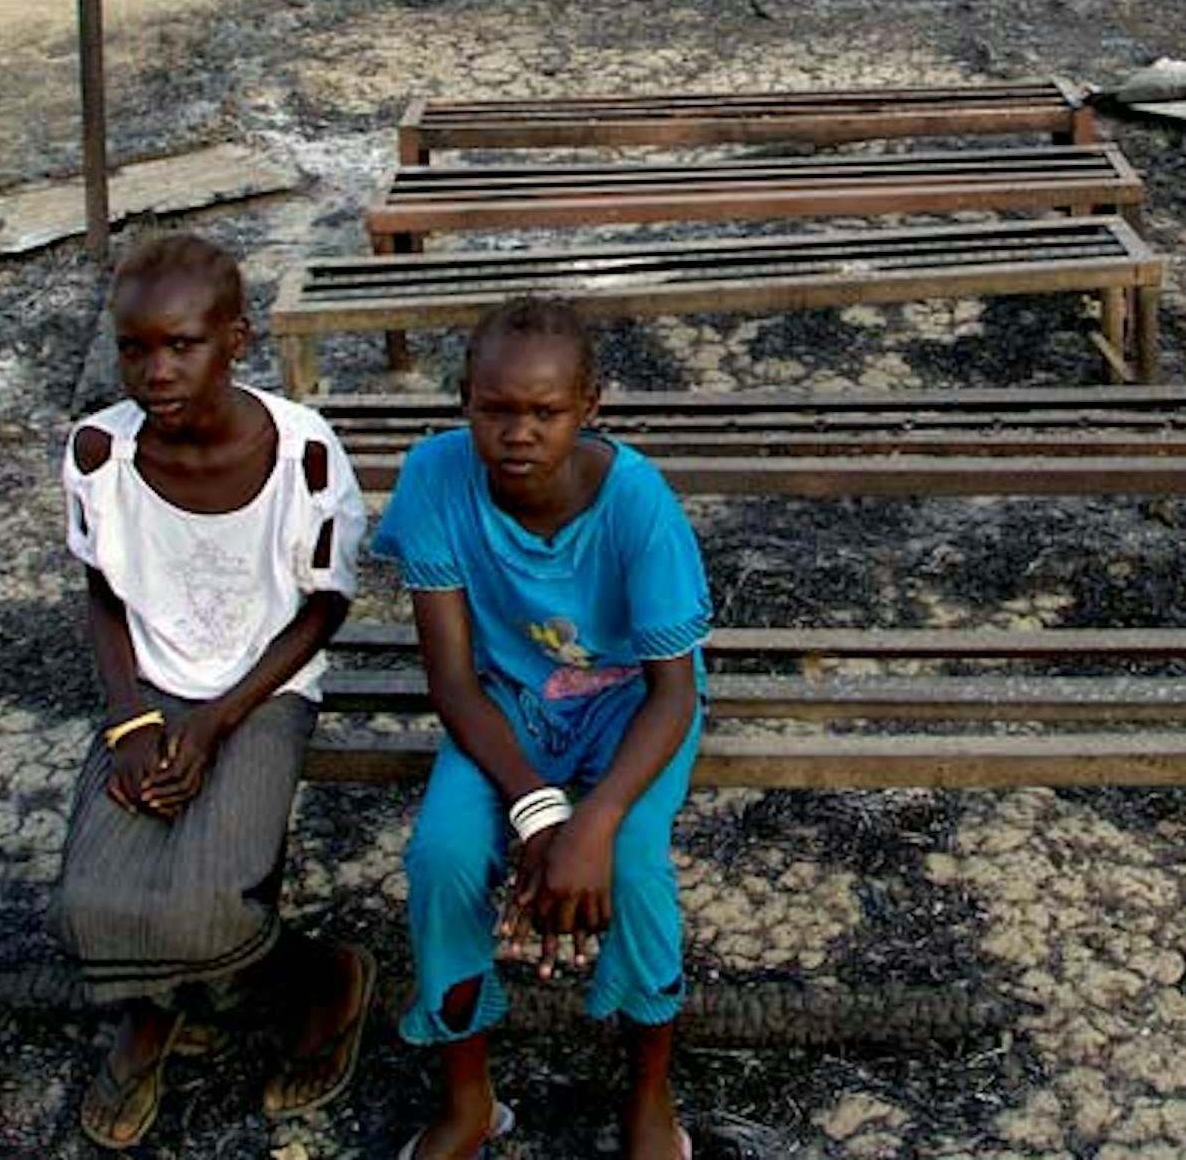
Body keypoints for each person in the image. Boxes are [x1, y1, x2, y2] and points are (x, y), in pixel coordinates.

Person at [50, 233, 378, 1149]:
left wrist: (212, 722)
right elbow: (105, 592)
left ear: (236, 339)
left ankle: (324, 979)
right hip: (151, 689)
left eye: (182, 344)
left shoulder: (299, 456)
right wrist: (132, 721)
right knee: (84, 909)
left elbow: (323, 610)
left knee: (208, 909)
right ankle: (155, 1008)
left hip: (262, 690)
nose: (155, 370)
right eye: (134, 347)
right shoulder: (97, 454)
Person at [372, 296, 711, 1160]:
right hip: (507, 704)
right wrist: (537, 808)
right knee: (442, 856)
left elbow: (673, 692)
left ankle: (647, 1094)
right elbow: (451, 676)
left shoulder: (638, 504)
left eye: (545, 412)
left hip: (631, 706)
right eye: (495, 409)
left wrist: (590, 821)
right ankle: (468, 1099)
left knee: (630, 861)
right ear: (464, 400)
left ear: (590, 406)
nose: (517, 432)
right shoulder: (437, 478)